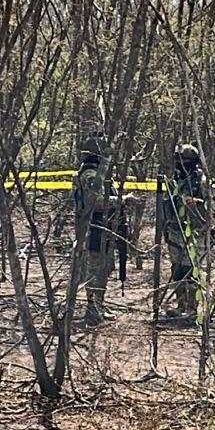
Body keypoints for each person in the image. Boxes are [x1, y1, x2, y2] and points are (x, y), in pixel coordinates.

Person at [74, 133, 136, 326]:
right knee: (94, 269)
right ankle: (92, 309)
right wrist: (122, 200)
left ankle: (99, 305)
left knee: (103, 268)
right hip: (94, 228)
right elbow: (97, 202)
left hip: (105, 229)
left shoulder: (99, 175)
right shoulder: (90, 175)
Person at [161, 144, 212, 322]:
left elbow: (214, 208)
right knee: (178, 270)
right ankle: (181, 305)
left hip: (195, 233)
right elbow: (165, 204)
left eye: (185, 160)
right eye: (179, 160)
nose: (181, 164)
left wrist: (196, 203)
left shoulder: (202, 181)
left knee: (192, 271)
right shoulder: (173, 181)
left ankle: (192, 310)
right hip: (174, 232)